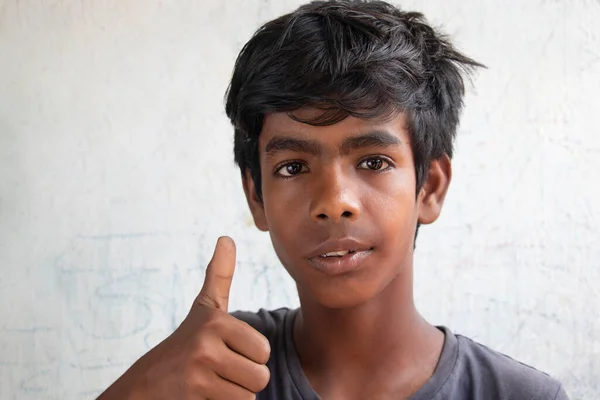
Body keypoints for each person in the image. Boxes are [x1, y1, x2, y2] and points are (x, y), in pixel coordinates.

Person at [98, 1, 569, 399]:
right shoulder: (210, 371)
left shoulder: (518, 394)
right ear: (255, 196)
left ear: (430, 187)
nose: (335, 201)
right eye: (293, 168)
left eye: (373, 162)